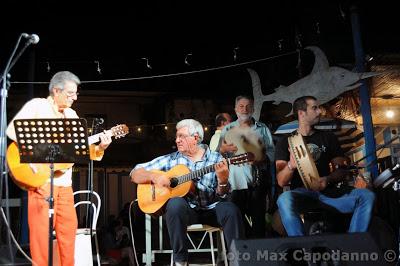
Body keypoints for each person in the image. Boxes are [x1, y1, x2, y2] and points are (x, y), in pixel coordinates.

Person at [6, 71, 112, 266]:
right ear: (56, 90)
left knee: (68, 231)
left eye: (76, 93)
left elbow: (79, 150)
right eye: (71, 93)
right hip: (41, 181)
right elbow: (12, 130)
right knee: (40, 235)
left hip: (64, 184)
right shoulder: (37, 106)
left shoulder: (71, 115)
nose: (75, 97)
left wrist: (100, 147)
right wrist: (31, 156)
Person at [130, 119, 244, 266]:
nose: (177, 140)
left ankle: (240, 260)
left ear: (195, 138)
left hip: (211, 210)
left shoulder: (216, 159)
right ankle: (181, 261)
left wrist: (222, 181)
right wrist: (154, 176)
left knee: (231, 209)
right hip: (187, 212)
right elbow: (135, 173)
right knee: (175, 204)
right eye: (177, 137)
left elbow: (222, 194)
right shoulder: (172, 160)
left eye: (181, 136)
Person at [275, 95, 375, 236]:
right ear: (301, 113)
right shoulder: (285, 142)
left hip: (329, 194)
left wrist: (327, 180)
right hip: (303, 195)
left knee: (366, 196)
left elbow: (342, 171)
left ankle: (354, 243)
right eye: (314, 108)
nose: (319, 112)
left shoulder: (328, 137)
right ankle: (303, 248)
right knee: (284, 199)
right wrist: (291, 165)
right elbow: (281, 181)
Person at [218, 95, 275, 238]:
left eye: (248, 106)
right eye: (241, 106)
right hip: (235, 183)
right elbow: (217, 156)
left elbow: (272, 153)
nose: (245, 109)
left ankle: (259, 255)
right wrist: (222, 150)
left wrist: (259, 159)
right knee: (237, 221)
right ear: (235, 109)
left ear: (253, 108)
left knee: (259, 222)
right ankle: (240, 254)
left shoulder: (262, 128)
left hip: (259, 182)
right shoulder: (227, 129)